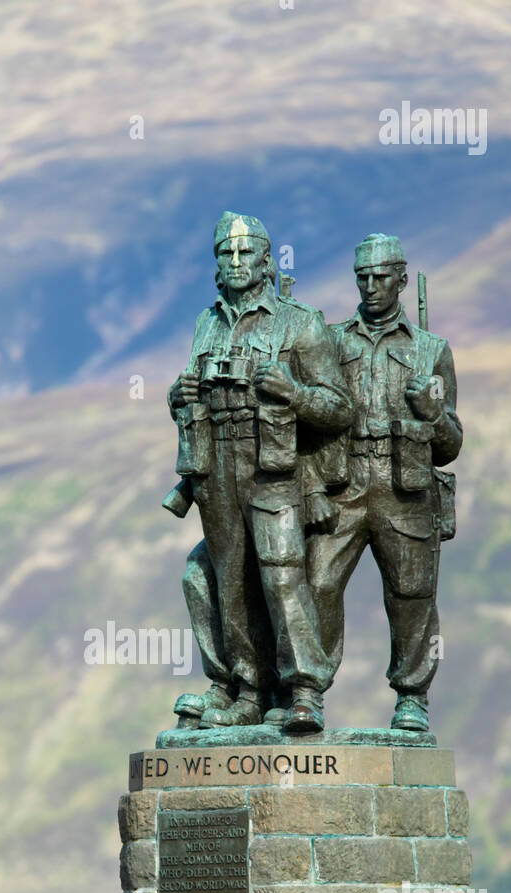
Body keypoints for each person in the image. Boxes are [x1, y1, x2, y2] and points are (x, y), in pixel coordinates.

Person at [168, 211, 352, 733]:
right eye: (225, 253)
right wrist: (174, 396)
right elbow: (191, 387)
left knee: (281, 573)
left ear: (267, 261)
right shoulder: (207, 322)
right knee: (227, 580)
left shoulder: (300, 322)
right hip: (216, 467)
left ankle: (303, 690)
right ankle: (246, 689)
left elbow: (339, 408)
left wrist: (294, 394)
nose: (235, 261)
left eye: (245, 252)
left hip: (272, 468)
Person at [306, 233, 463, 732]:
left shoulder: (431, 350)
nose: (370, 286)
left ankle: (412, 696)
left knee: (411, 594)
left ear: (401, 278)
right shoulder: (331, 340)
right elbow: (309, 422)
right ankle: (308, 689)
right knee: (318, 583)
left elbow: (452, 443)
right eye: (362, 277)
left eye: (380, 277)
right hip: (344, 482)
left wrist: (434, 415)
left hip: (405, 488)